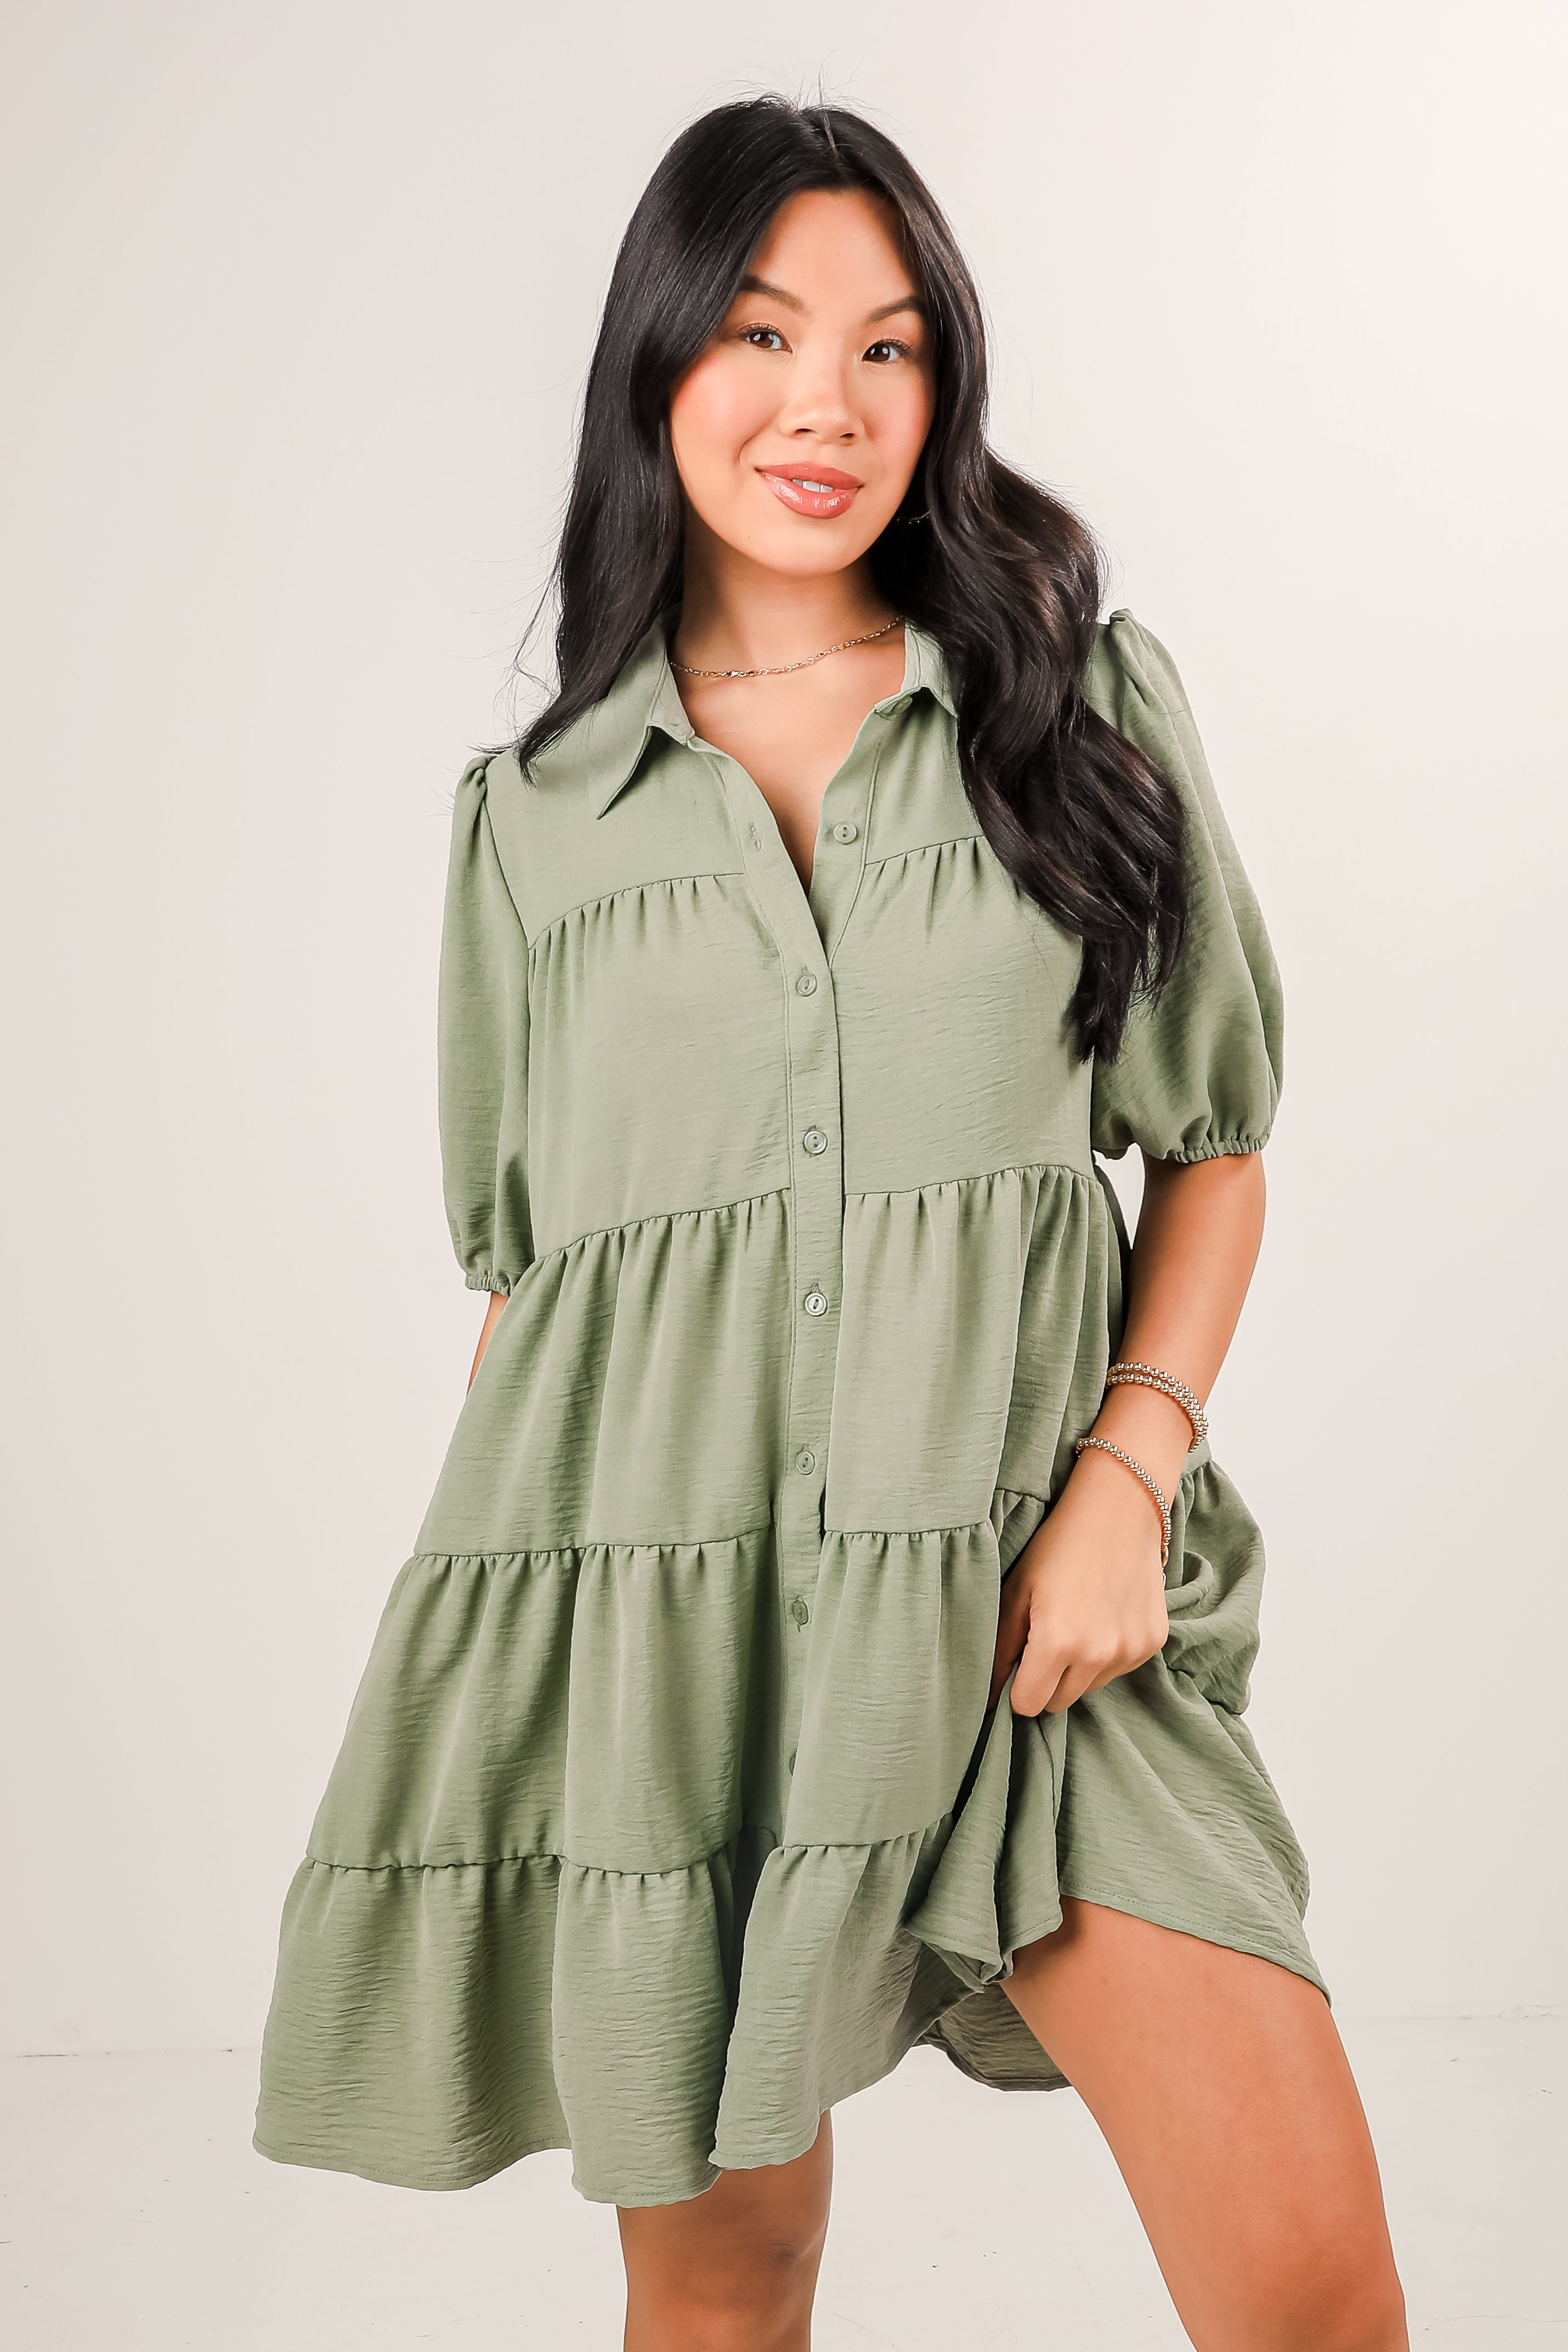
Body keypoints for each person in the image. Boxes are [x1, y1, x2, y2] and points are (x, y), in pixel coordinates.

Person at [254, 95, 1408, 2352]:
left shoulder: (1070, 707)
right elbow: (536, 1300)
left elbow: (1212, 1140)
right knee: (729, 2281)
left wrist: (1124, 1481)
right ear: (656, 362)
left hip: (1041, 1617)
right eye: (764, 333)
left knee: (1304, 2298)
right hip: (692, 1666)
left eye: (888, 349)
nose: (824, 404)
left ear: (943, 385)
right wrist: (577, 1716)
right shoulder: (530, 826)